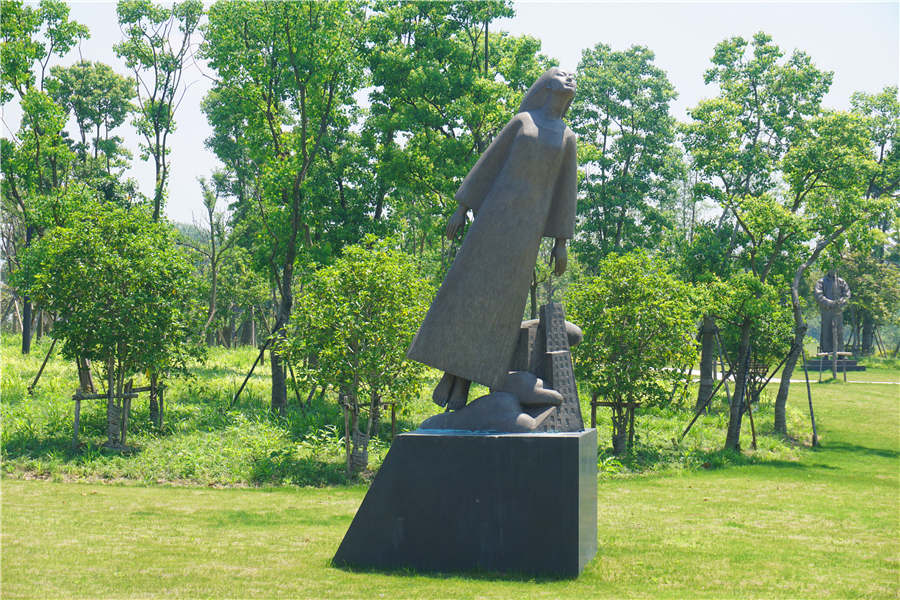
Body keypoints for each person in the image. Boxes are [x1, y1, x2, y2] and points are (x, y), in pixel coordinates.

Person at [407, 67, 578, 410]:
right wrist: (462, 207)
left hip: (526, 233)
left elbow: (565, 190)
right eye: (562, 74)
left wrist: (561, 242)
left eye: (573, 77)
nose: (570, 78)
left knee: (501, 307)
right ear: (546, 84)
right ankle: (453, 375)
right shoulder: (522, 122)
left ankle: (465, 379)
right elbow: (489, 165)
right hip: (492, 221)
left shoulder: (567, 137)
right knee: (470, 293)